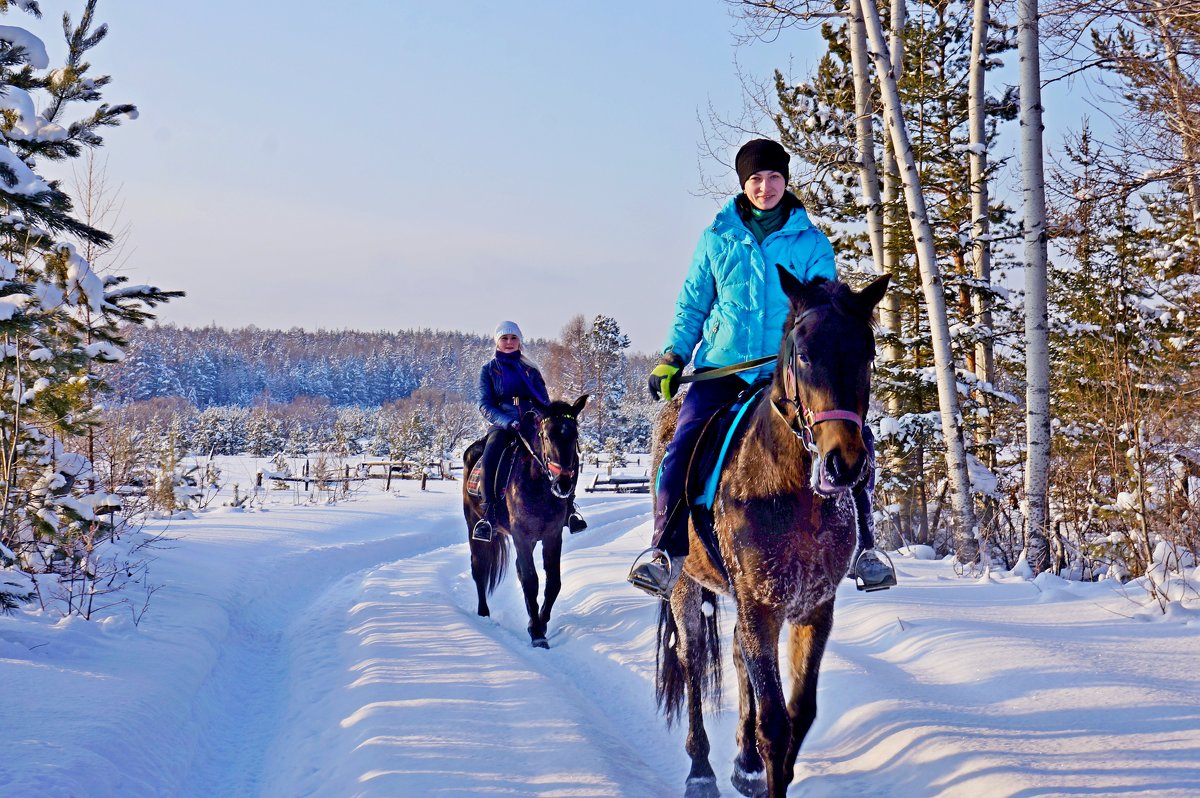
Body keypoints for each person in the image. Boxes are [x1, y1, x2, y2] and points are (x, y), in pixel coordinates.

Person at [628, 138, 895, 598]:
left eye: (773, 177)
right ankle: (665, 550)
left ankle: (866, 549)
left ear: (785, 181)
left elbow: (826, 307)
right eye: (755, 179)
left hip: (790, 374)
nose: (765, 187)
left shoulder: (810, 242)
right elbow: (694, 303)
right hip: (723, 369)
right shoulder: (717, 237)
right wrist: (674, 356)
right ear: (743, 184)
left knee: (855, 439)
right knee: (682, 444)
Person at [473, 321, 586, 541]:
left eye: (513, 338)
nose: (509, 343)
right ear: (497, 342)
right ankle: (488, 514)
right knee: (491, 454)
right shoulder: (488, 370)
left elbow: (543, 400)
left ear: (519, 342)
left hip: (532, 425)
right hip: (503, 425)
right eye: (504, 338)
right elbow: (485, 405)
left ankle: (569, 508)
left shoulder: (530, 369)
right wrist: (507, 422)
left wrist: (542, 419)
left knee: (567, 453)